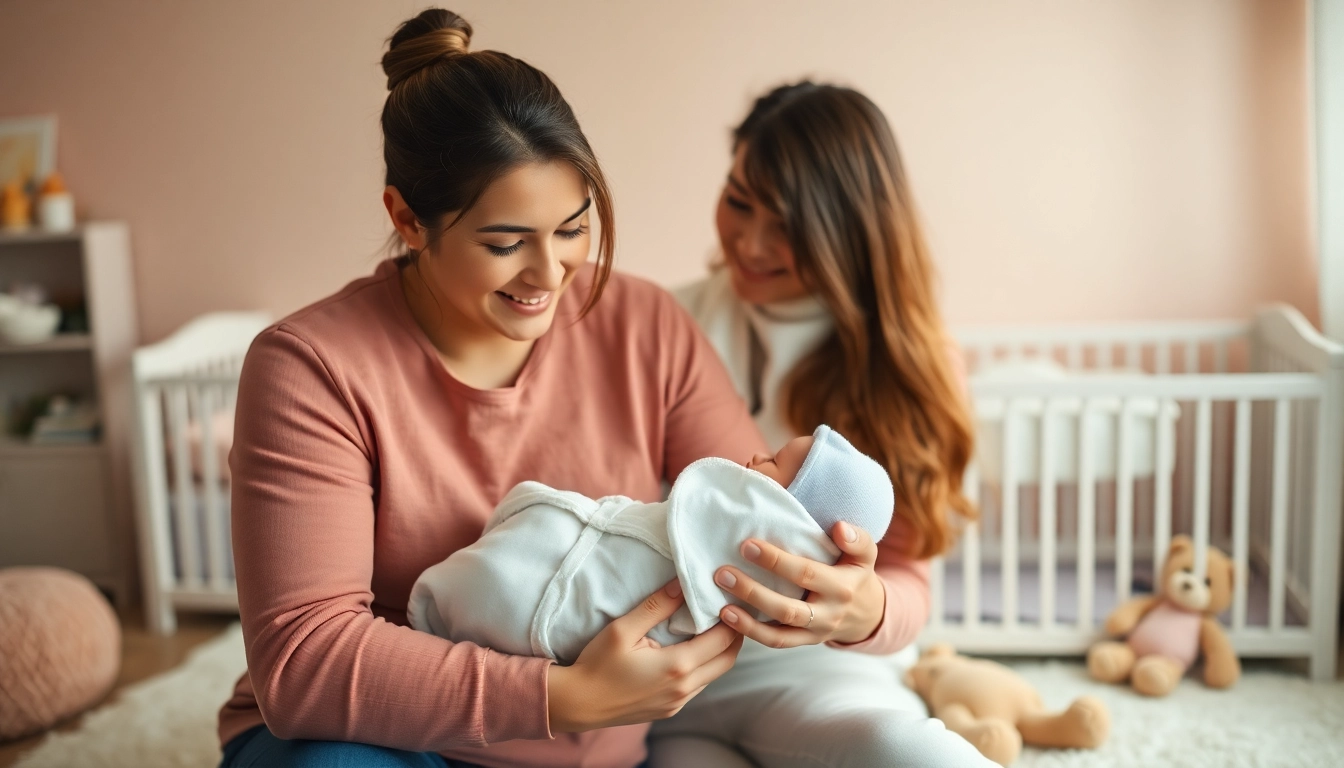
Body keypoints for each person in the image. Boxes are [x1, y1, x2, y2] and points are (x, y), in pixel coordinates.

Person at [216, 9, 774, 767]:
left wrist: (842, 594)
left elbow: (752, 517)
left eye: (573, 229)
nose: (550, 276)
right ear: (408, 219)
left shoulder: (645, 324)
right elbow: (305, 659)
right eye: (506, 243)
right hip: (374, 741)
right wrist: (561, 698)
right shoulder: (310, 366)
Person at [648, 82, 990, 767]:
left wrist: (867, 612)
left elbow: (909, 580)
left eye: (787, 226)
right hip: (672, 682)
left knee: (914, 755)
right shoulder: (659, 324)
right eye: (738, 200)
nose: (749, 242)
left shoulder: (909, 368)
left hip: (826, 673)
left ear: (849, 233)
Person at [408, 427, 894, 666]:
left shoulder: (753, 544)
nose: (752, 455)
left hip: (559, 609)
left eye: (771, 461)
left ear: (785, 514)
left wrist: (870, 612)